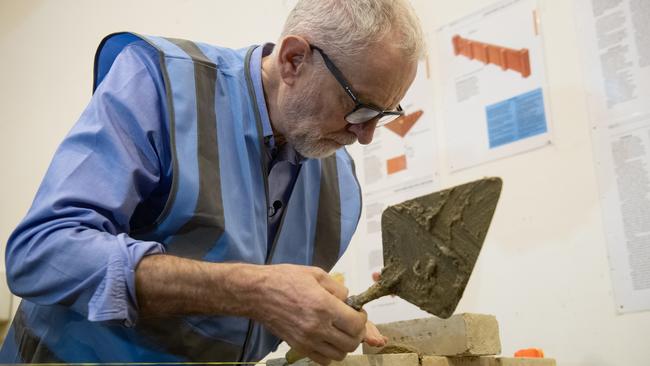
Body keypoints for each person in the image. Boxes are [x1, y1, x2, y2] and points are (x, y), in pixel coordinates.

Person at [0, 0, 424, 364]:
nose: (365, 136)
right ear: (295, 60)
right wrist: (253, 291)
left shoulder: (342, 191)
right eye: (358, 107)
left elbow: (250, 329)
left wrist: (319, 321)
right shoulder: (160, 84)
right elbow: (40, 253)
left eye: (382, 115)